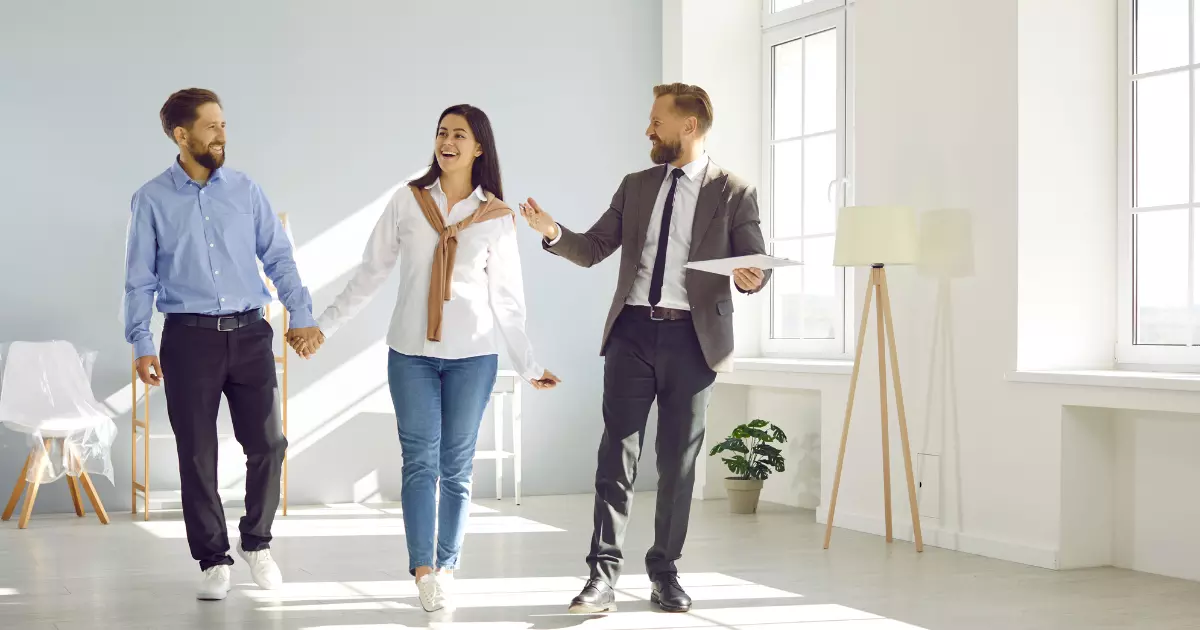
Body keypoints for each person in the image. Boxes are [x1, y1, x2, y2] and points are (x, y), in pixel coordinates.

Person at [296, 104, 559, 614]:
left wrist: (528, 365)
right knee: (420, 463)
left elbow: (508, 300)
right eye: (442, 133)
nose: (448, 141)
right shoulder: (407, 202)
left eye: (460, 134)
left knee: (456, 469)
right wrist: (324, 327)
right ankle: (422, 573)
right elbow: (369, 274)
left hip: (473, 357)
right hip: (411, 354)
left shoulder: (498, 217)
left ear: (479, 147)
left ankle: (447, 568)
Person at [519, 83, 770, 614]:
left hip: (694, 339)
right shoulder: (635, 186)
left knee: (678, 463)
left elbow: (753, 264)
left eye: (657, 120)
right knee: (617, 455)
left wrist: (750, 279)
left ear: (690, 126)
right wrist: (551, 231)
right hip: (632, 332)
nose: (648, 129)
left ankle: (665, 573)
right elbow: (593, 249)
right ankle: (601, 577)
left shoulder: (734, 192)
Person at [124, 88, 324, 601]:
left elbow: (279, 258)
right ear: (181, 134)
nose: (222, 135)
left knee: (269, 444)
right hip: (187, 341)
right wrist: (142, 342)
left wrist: (301, 314)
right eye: (211, 126)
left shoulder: (246, 191)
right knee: (196, 454)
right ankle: (213, 559)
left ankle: (257, 544)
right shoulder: (150, 199)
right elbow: (139, 280)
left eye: (224, 125)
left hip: (250, 333)